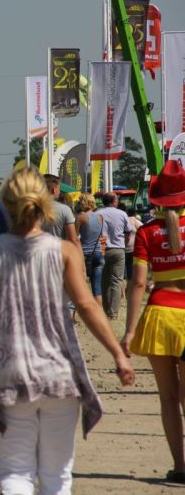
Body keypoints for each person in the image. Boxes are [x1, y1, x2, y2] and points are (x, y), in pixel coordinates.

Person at [0, 168, 134, 495]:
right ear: (45, 205)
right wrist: (118, 354)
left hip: (10, 371)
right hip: (59, 372)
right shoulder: (64, 251)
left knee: (15, 472)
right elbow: (88, 307)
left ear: (6, 205)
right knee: (56, 476)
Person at [121, 160, 185, 484]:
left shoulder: (146, 232)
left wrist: (129, 331)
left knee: (169, 398)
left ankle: (180, 466)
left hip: (160, 315)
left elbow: (138, 284)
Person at [97, 192, 133, 320]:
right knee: (116, 281)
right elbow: (128, 232)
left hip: (102, 248)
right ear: (113, 201)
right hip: (118, 249)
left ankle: (106, 310)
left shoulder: (98, 213)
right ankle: (113, 312)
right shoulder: (122, 214)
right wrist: (125, 243)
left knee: (104, 281)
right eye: (116, 199)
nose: (117, 201)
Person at [74, 193, 104, 307]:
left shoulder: (81, 217)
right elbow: (103, 237)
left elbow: (74, 237)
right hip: (98, 253)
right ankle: (99, 314)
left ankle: (75, 315)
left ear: (82, 202)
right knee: (97, 289)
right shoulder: (100, 217)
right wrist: (103, 252)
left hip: (85, 254)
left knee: (79, 285)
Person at [42, 174, 81, 252]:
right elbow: (73, 239)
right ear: (53, 189)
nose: (59, 192)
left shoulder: (30, 208)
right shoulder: (64, 209)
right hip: (58, 256)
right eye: (59, 188)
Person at [125, 207, 143, 282]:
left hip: (124, 248)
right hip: (135, 248)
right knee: (135, 266)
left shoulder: (125, 221)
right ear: (135, 214)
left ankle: (128, 282)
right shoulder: (137, 222)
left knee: (127, 267)